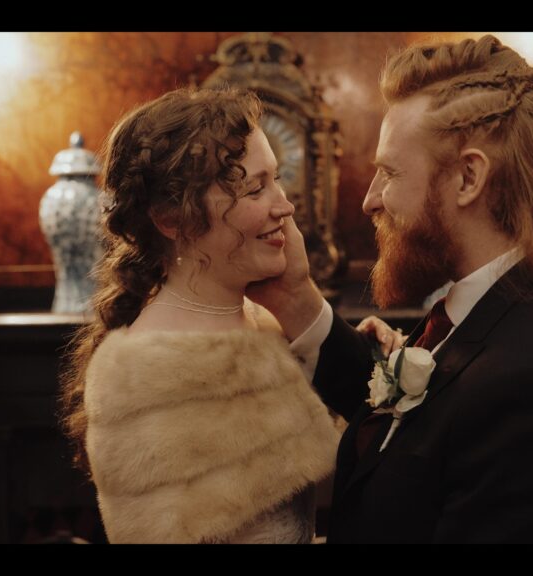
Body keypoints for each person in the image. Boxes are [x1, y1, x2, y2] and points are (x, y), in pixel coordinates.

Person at [247, 35, 533, 543]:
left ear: (468, 177)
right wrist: (295, 300)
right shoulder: (496, 315)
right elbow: (430, 433)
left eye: (389, 172)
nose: (370, 200)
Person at [59, 87, 340, 543]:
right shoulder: (141, 374)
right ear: (173, 219)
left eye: (277, 179)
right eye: (254, 187)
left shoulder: (264, 323)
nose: (284, 205)